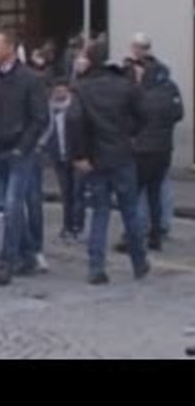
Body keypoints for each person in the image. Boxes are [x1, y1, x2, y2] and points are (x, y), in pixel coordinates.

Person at [67, 42, 150, 285]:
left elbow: (74, 120)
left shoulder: (82, 88)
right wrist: (130, 135)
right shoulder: (126, 86)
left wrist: (79, 155)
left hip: (96, 158)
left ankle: (96, 266)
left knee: (100, 212)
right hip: (122, 154)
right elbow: (144, 114)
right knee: (130, 210)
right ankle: (138, 261)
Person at [0, 29, 49, 286]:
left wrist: (23, 147)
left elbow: (39, 118)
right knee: (10, 208)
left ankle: (6, 261)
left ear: (10, 48)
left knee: (13, 206)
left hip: (19, 152)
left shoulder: (30, 79)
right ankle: (28, 255)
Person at [121, 55, 183, 252]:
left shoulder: (140, 93)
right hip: (163, 149)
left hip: (141, 150)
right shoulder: (170, 88)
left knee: (134, 193)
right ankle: (155, 236)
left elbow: (131, 123)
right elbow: (179, 113)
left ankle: (133, 236)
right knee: (154, 193)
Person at [37, 79, 83, 242]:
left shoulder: (76, 108)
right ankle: (67, 225)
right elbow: (45, 131)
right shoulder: (48, 109)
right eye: (56, 91)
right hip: (58, 155)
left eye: (62, 90)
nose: (59, 94)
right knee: (66, 193)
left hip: (76, 154)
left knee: (78, 192)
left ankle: (77, 226)